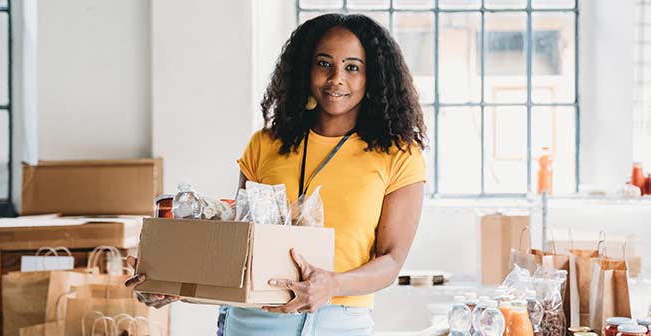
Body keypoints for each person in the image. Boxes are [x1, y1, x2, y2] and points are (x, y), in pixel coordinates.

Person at [126, 13, 427, 335]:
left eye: (353, 67)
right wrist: (172, 281)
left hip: (337, 322)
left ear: (374, 78)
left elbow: (391, 260)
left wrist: (333, 283)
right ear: (305, 70)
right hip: (253, 320)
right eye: (324, 63)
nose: (336, 78)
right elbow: (239, 242)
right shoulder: (265, 145)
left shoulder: (399, 155)